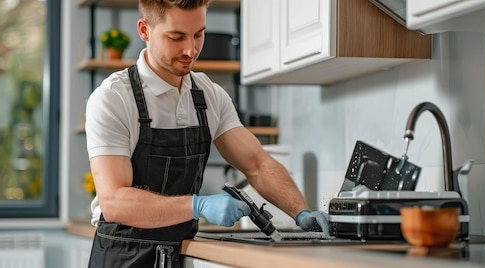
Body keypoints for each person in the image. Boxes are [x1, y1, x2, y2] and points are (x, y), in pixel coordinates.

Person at [85, 0, 330, 267]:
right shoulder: (114, 98)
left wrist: (300, 211)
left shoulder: (209, 95)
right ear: (144, 30)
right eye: (177, 37)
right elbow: (115, 201)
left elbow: (257, 164)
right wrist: (197, 206)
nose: (190, 50)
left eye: (199, 34)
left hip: (177, 255)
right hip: (123, 257)